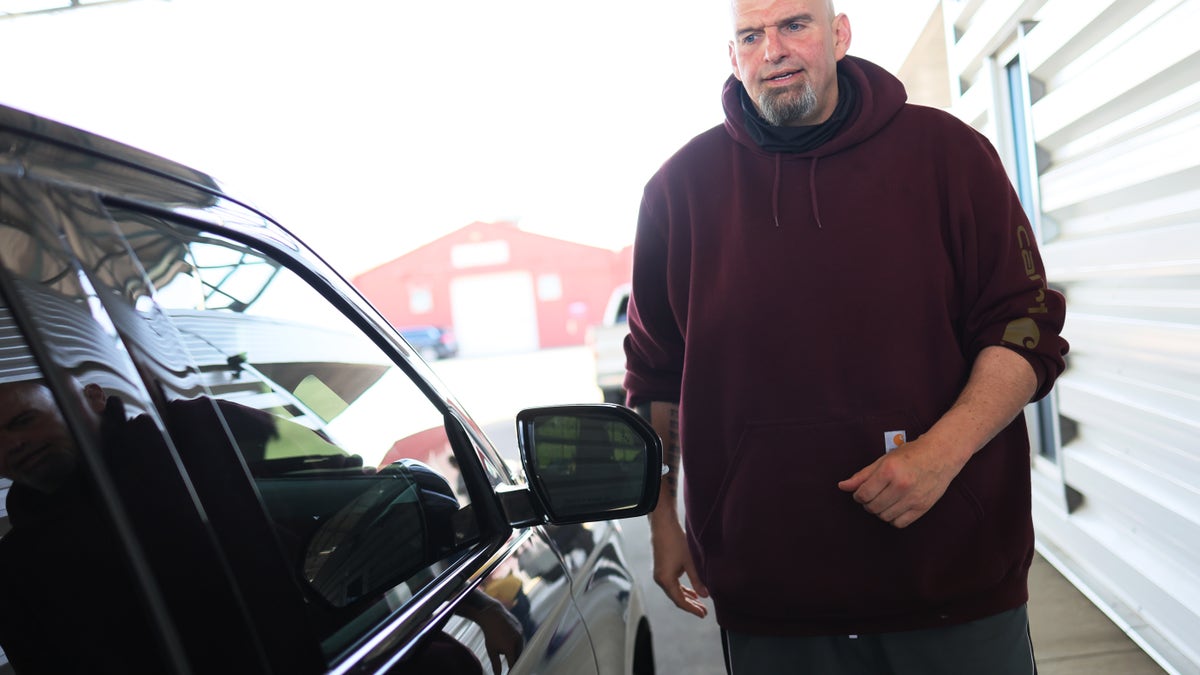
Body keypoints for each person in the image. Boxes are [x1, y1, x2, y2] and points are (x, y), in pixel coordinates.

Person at [623, 1, 1069, 673]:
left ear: (839, 34)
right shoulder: (677, 193)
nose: (772, 49)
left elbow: (1026, 325)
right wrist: (661, 518)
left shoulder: (948, 156)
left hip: (954, 585)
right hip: (771, 602)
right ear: (733, 54)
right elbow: (655, 375)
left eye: (795, 25)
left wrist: (941, 454)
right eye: (751, 35)